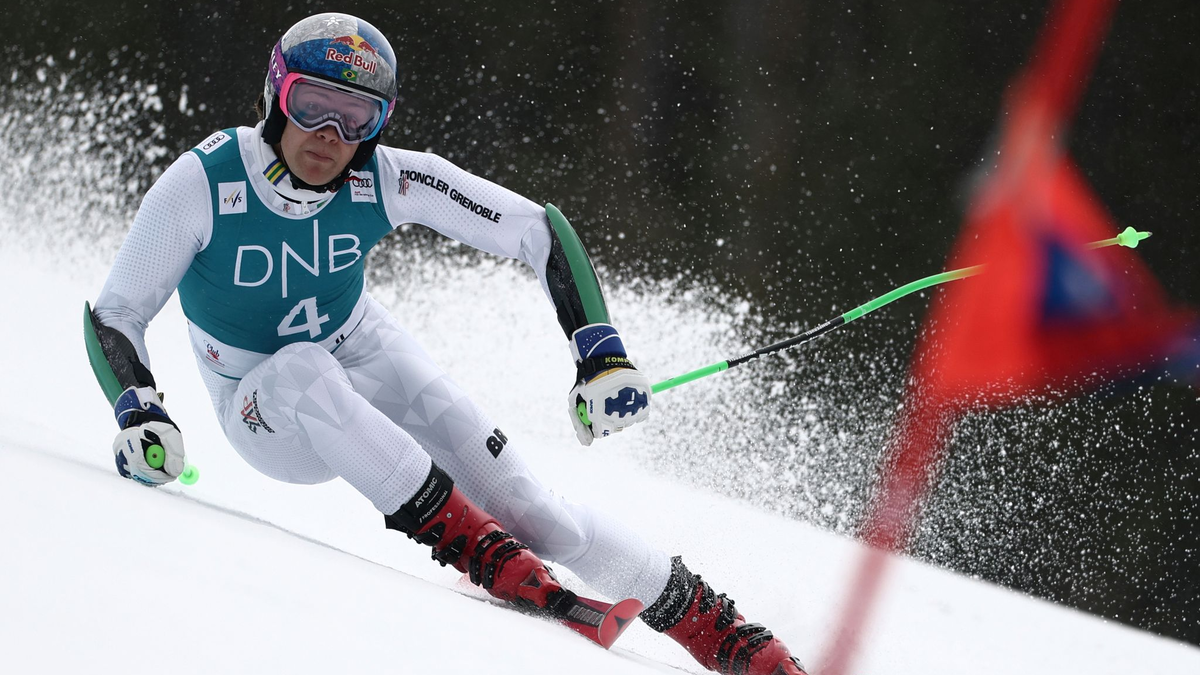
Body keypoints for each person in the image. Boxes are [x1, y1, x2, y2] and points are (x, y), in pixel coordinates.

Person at [85, 13, 804, 675]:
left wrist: (599, 351)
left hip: (359, 347)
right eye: (312, 106)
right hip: (260, 408)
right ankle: (483, 553)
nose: (330, 134)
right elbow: (116, 312)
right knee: (301, 368)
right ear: (276, 97)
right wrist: (139, 410)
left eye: (357, 117)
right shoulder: (204, 182)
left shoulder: (385, 176)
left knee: (536, 512)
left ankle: (734, 640)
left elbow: (537, 228)